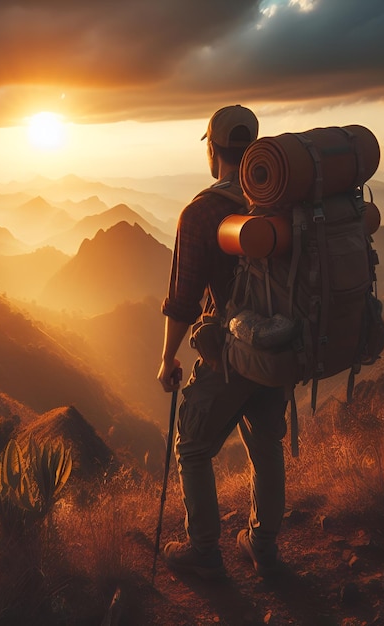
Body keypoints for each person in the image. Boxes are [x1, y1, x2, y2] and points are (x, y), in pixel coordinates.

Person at [157, 105, 288, 580]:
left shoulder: (201, 212)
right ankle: (263, 544)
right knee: (266, 443)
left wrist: (167, 358)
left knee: (192, 447)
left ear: (213, 149)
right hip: (280, 346)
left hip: (232, 354)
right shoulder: (278, 199)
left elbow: (182, 299)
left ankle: (204, 550)